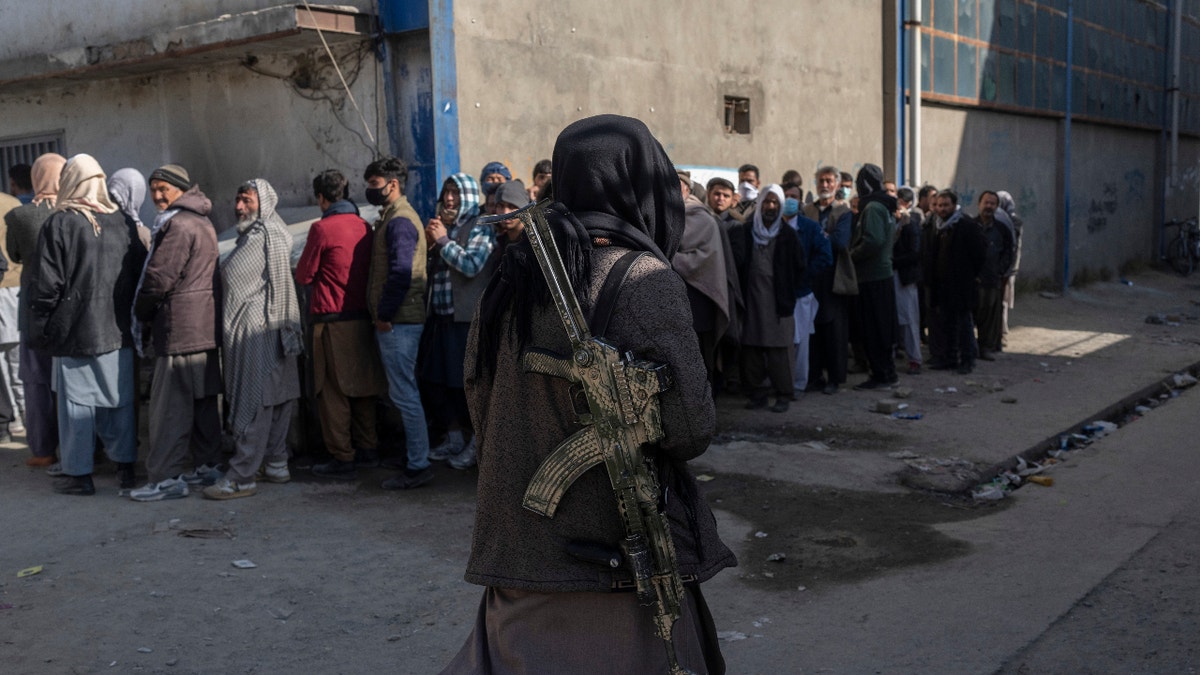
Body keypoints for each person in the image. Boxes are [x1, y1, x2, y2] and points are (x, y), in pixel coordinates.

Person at [443, 113, 734, 675]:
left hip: (518, 555)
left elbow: (479, 393)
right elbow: (692, 426)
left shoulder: (512, 271)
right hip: (616, 565)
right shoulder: (642, 277)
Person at [28, 154, 146, 495]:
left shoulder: (60, 223)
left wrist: (41, 326)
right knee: (118, 401)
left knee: (76, 406)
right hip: (117, 329)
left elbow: (47, 283)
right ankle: (125, 469)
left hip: (74, 330)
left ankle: (79, 475)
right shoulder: (123, 222)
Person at [129, 164, 223, 501]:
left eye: (163, 189)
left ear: (180, 189)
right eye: (153, 189)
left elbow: (158, 279)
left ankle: (166, 478)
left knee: (170, 408)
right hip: (202, 326)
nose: (156, 196)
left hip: (180, 327)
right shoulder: (202, 221)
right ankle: (208, 466)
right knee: (202, 404)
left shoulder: (179, 225)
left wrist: (142, 311)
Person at [207, 180, 303, 500]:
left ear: (264, 203)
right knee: (276, 398)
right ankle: (276, 463)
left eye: (247, 201)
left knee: (255, 402)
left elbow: (234, 278)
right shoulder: (262, 236)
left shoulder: (265, 237)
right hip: (277, 326)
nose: (239, 207)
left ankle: (242, 474)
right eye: (238, 200)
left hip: (260, 329)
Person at [294, 169, 388, 482]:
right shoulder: (364, 226)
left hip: (331, 322)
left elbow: (304, 276)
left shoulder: (322, 230)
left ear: (321, 198)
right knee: (362, 387)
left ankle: (342, 455)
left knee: (331, 392)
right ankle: (369, 448)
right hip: (363, 320)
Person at [362, 157, 433, 489]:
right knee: (403, 392)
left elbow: (402, 272)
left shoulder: (401, 221)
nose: (371, 191)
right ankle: (412, 456)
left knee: (405, 393)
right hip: (399, 319)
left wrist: (384, 315)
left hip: (399, 321)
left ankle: (418, 465)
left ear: (393, 184)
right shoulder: (392, 217)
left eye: (375, 185)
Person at [422, 171, 494, 470]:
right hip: (440, 318)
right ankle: (454, 437)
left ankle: (477, 444)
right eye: (446, 193)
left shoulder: (480, 226)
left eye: (456, 193)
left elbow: (471, 264)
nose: (449, 199)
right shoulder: (443, 227)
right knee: (438, 382)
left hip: (466, 321)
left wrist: (442, 241)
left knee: (466, 385)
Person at [5, 153, 66, 467]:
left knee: (37, 381)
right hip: (69, 308)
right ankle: (80, 447)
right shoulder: (75, 212)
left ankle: (43, 449)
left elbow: (14, 256)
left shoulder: (19, 216)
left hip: (32, 306)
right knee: (71, 381)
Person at [728, 184, 805, 413]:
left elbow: (800, 268)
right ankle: (757, 394)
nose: (770, 206)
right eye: (767, 202)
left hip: (778, 301)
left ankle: (783, 394)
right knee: (752, 348)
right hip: (752, 299)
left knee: (780, 350)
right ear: (760, 204)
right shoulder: (747, 231)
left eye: (775, 202)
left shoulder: (788, 235)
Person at [672, 170, 732, 386]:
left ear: (688, 190)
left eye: (677, 185)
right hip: (677, 299)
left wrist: (670, 258)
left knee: (701, 353)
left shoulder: (700, 216)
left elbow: (677, 247)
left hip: (700, 294)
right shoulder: (667, 214)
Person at [849, 164, 900, 390]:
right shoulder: (885, 207)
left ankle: (880, 374)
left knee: (873, 328)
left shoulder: (872, 208)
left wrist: (850, 256)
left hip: (871, 277)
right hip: (883, 275)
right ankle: (887, 372)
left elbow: (872, 241)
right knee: (883, 328)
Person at [804, 166, 853, 395]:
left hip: (834, 277)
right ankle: (814, 376)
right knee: (812, 328)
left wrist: (818, 238)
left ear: (836, 184)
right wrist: (824, 237)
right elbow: (801, 239)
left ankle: (835, 377)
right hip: (812, 276)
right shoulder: (807, 210)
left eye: (829, 181)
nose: (824, 185)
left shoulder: (843, 212)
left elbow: (840, 242)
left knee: (835, 329)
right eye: (821, 181)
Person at [926, 191, 986, 374]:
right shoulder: (937, 226)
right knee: (947, 324)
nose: (941, 209)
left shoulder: (966, 225)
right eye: (938, 205)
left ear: (954, 205)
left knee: (964, 324)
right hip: (943, 285)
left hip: (961, 285)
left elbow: (979, 254)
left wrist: (970, 275)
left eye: (945, 205)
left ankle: (968, 360)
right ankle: (949, 358)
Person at [782, 182, 832, 393]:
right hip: (777, 293)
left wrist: (804, 274)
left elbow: (825, 256)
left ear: (801, 201)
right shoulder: (770, 225)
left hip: (802, 293)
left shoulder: (810, 227)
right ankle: (781, 381)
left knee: (800, 340)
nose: (789, 200)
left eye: (793, 196)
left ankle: (798, 383)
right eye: (785, 195)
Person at [973, 191, 1016, 361]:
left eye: (992, 203)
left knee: (990, 316)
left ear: (997, 207)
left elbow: (1008, 251)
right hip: (974, 279)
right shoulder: (971, 226)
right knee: (972, 314)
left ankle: (986, 348)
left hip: (992, 279)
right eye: (986, 202)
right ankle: (971, 347)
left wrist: (1000, 270)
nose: (988, 206)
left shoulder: (1001, 229)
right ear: (979, 204)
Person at [0, 190, 25, 445]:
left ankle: (12, 418)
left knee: (1, 365)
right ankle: (26, 414)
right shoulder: (13, 203)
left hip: (5, 284)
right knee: (19, 358)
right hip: (18, 284)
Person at [893, 187, 923, 375]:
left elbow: (914, 253)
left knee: (909, 318)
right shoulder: (892, 224)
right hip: (892, 275)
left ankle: (915, 358)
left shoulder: (910, 225)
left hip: (904, 277)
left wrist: (892, 262)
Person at [996, 190, 1023, 347]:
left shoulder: (1011, 221)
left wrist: (1009, 267)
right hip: (1008, 266)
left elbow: (1013, 246)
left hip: (1007, 266)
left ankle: (1001, 332)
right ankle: (1001, 331)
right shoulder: (1010, 220)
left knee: (1002, 301)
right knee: (1002, 302)